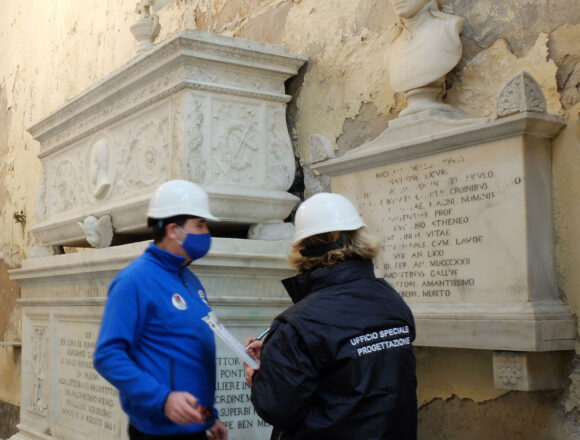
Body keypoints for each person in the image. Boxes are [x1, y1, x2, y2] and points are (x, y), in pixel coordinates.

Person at [244, 192, 417, 440]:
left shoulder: (296, 324)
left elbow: (278, 408)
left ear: (303, 250)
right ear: (358, 237)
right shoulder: (390, 299)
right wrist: (278, 355)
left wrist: (261, 378)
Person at [93, 179, 228, 440]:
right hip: (157, 432)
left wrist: (209, 416)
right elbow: (108, 355)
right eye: (200, 224)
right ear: (174, 230)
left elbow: (189, 355)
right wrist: (162, 398)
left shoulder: (190, 280)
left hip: (197, 426)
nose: (206, 231)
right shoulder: (133, 281)